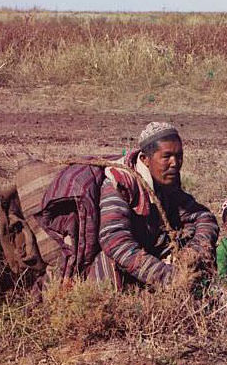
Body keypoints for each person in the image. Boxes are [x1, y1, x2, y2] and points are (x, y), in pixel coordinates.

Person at [88, 122, 219, 290]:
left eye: (179, 156)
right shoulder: (120, 183)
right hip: (128, 265)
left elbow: (203, 216)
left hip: (153, 257)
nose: (175, 163)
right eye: (167, 156)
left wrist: (194, 251)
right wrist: (167, 276)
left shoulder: (167, 183)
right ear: (145, 159)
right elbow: (113, 239)